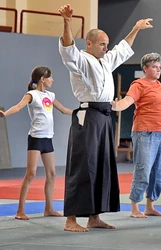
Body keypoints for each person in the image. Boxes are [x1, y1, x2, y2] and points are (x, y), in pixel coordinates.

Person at [58, 4, 153, 232]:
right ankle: (71, 219)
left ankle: (94, 217)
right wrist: (67, 22)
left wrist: (136, 28)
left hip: (104, 117)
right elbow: (68, 48)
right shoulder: (80, 60)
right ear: (89, 43)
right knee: (82, 166)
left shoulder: (105, 61)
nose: (105, 48)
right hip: (87, 117)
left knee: (101, 166)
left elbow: (123, 48)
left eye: (106, 44)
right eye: (102, 44)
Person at [111, 53, 161, 218]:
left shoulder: (160, 86)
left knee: (159, 173)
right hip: (144, 132)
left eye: (159, 67)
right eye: (154, 67)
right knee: (143, 170)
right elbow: (128, 100)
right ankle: (134, 207)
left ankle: (150, 206)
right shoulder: (138, 85)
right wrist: (118, 106)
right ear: (145, 68)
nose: (158, 70)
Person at [0, 66, 72, 220]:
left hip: (48, 138)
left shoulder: (50, 95)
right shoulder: (32, 95)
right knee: (31, 174)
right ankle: (20, 211)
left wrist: (82, 111)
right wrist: (4, 114)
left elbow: (63, 110)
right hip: (36, 138)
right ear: (43, 79)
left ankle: (49, 208)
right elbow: (18, 107)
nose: (52, 80)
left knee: (52, 174)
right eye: (50, 77)